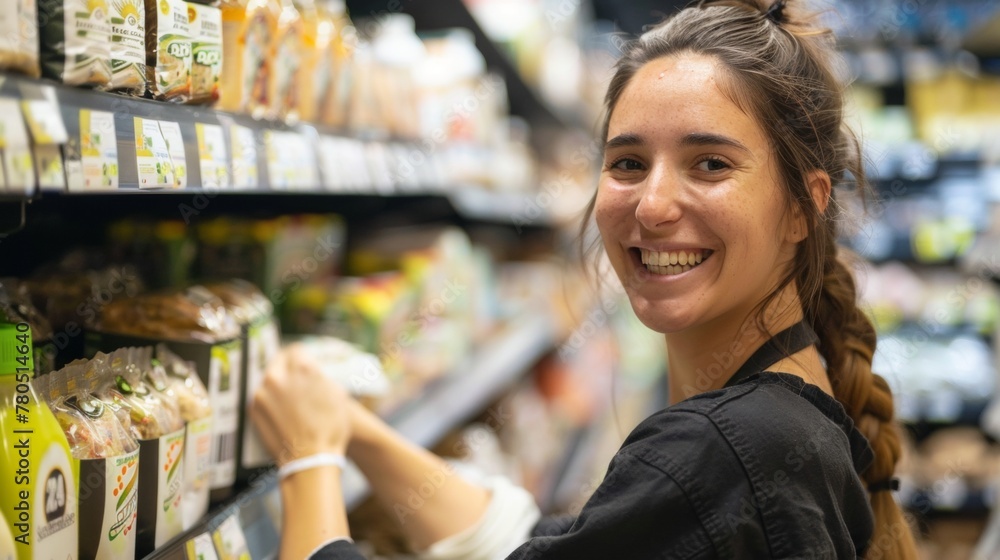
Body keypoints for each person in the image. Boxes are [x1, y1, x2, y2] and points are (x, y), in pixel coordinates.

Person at [249, 0, 920, 558]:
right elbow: (543, 547)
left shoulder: (721, 452)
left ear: (804, 204)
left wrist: (309, 464)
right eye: (627, 163)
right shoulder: (784, 414)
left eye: (710, 164)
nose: (652, 205)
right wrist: (356, 432)